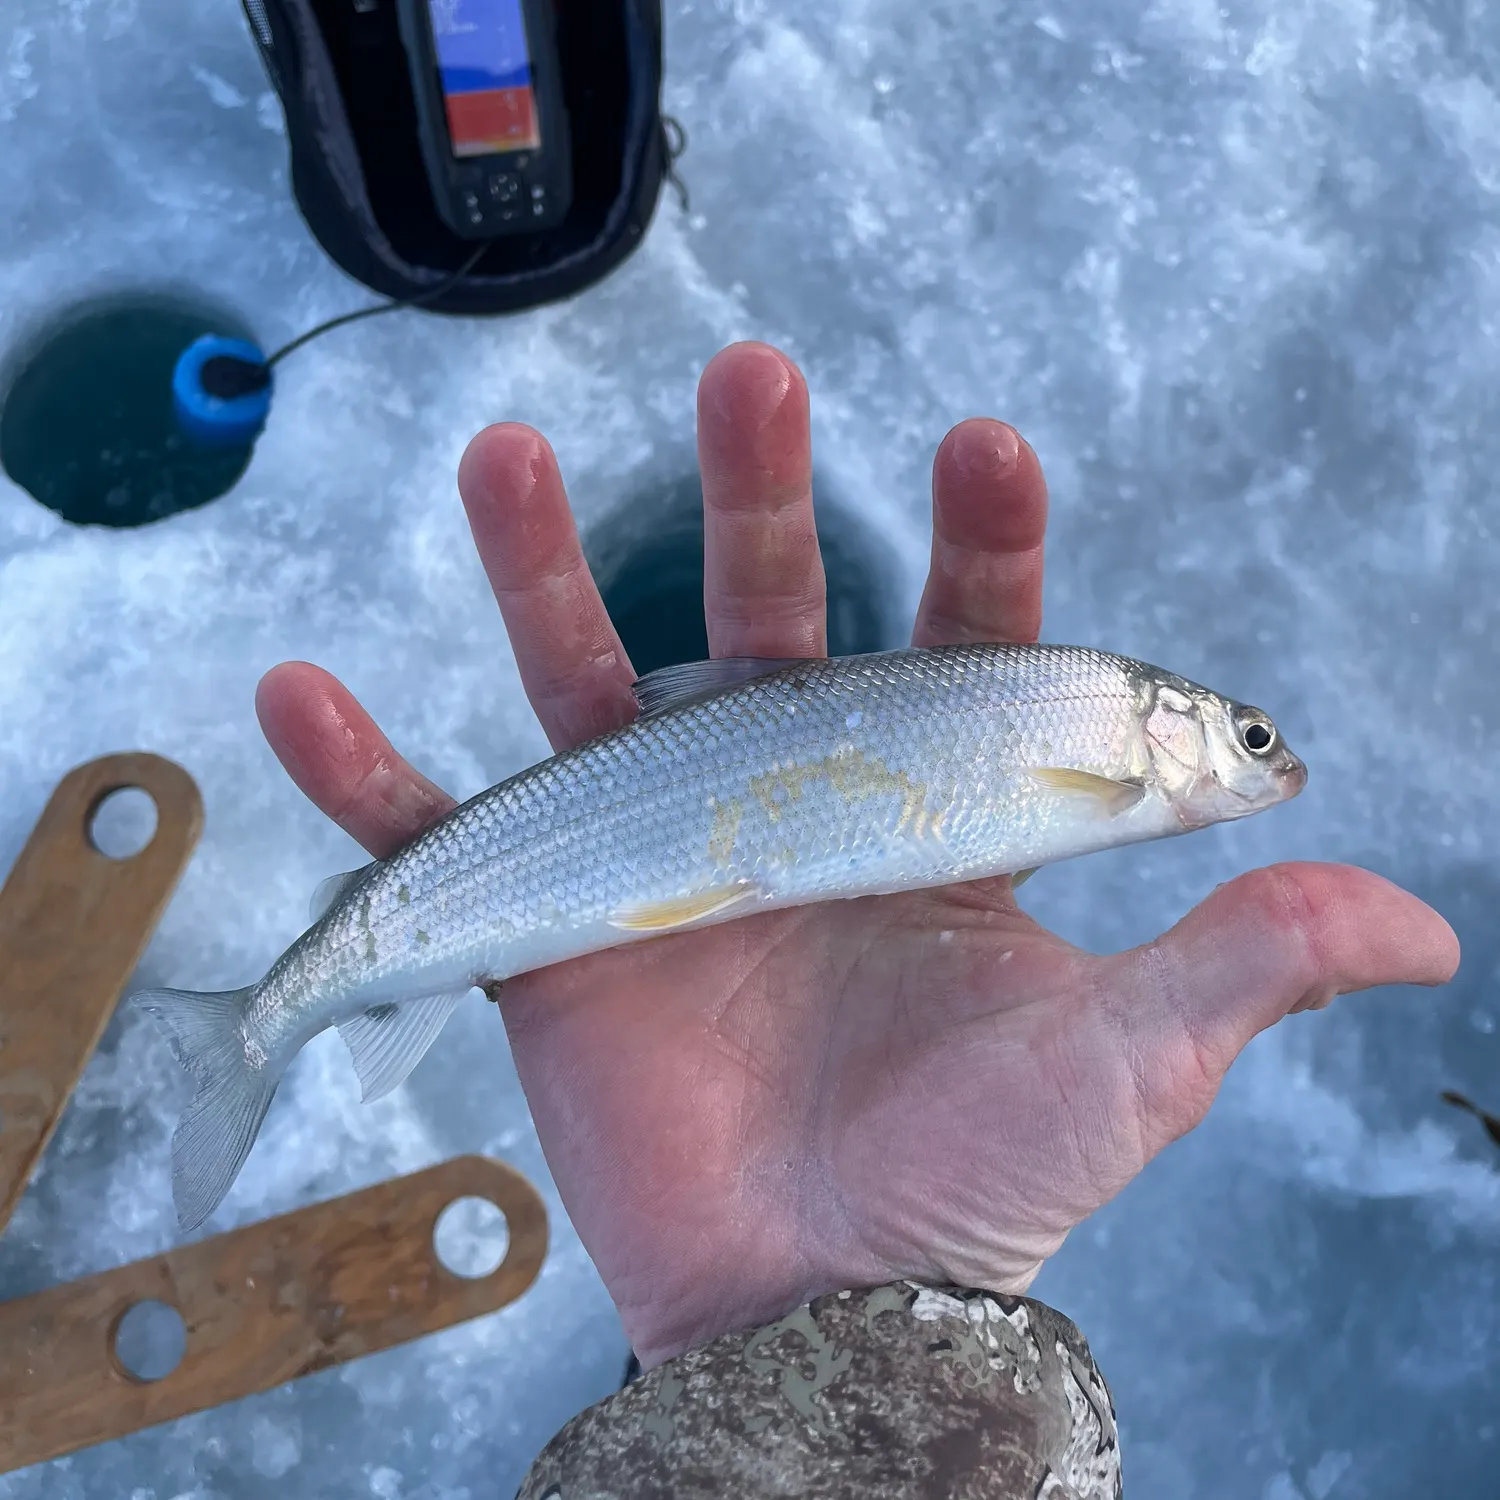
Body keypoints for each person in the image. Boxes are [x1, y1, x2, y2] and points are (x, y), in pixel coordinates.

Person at [254, 343, 1459, 1497]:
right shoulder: (1111, 724)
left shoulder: (1112, 732)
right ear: (1169, 725)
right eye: (1250, 741)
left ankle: (280, 1013)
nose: (1264, 763)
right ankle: (263, 1023)